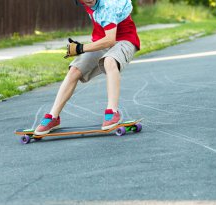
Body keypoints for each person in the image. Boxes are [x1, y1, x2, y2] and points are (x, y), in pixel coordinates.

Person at [34, 0, 140, 135]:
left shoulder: (108, 5)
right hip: (100, 42)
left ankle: (112, 111)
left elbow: (110, 40)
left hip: (125, 40)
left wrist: (80, 48)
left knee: (109, 61)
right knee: (74, 70)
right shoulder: (85, 2)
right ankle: (53, 117)